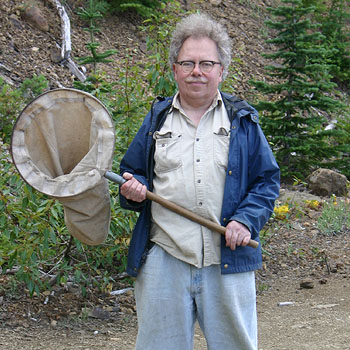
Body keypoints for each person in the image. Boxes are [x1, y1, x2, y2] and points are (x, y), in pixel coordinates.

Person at [119, 12, 280, 350]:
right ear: (175, 69)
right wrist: (133, 190)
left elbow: (266, 181)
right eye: (188, 63)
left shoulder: (243, 120)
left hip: (229, 259)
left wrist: (245, 220)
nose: (197, 72)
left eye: (207, 63)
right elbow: (133, 174)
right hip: (165, 255)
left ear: (221, 70)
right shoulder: (157, 118)